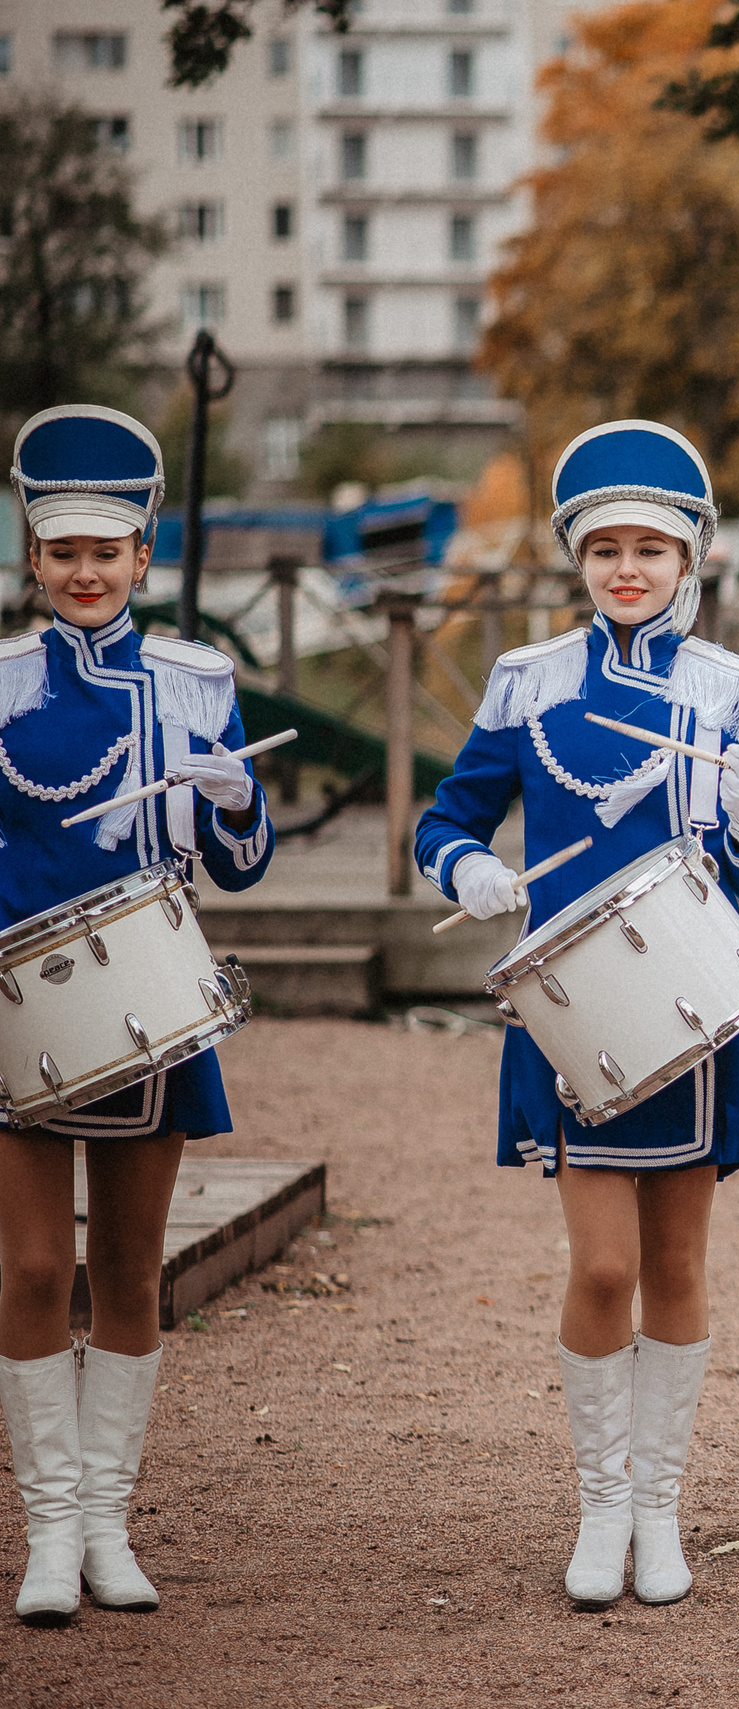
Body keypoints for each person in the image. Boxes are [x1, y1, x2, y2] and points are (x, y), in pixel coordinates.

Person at [414, 420, 739, 1612]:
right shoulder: (528, 680)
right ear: (578, 557)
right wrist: (470, 867)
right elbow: (445, 818)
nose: (628, 569)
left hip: (695, 1013)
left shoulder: (733, 689)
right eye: (606, 549)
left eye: (651, 549)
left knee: (677, 1261)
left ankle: (660, 1508)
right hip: (574, 1015)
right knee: (602, 1264)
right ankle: (600, 1503)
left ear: (692, 557)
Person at [0, 406, 275, 1623]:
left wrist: (233, 796)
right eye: (63, 552)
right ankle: (48, 1531)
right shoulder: (3, 683)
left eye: (105, 552)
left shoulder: (196, 682)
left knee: (124, 1267)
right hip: (16, 1001)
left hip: (151, 1002)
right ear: (33, 556)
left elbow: (244, 863)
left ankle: (108, 1526)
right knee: (27, 1266)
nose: (85, 573)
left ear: (142, 556)